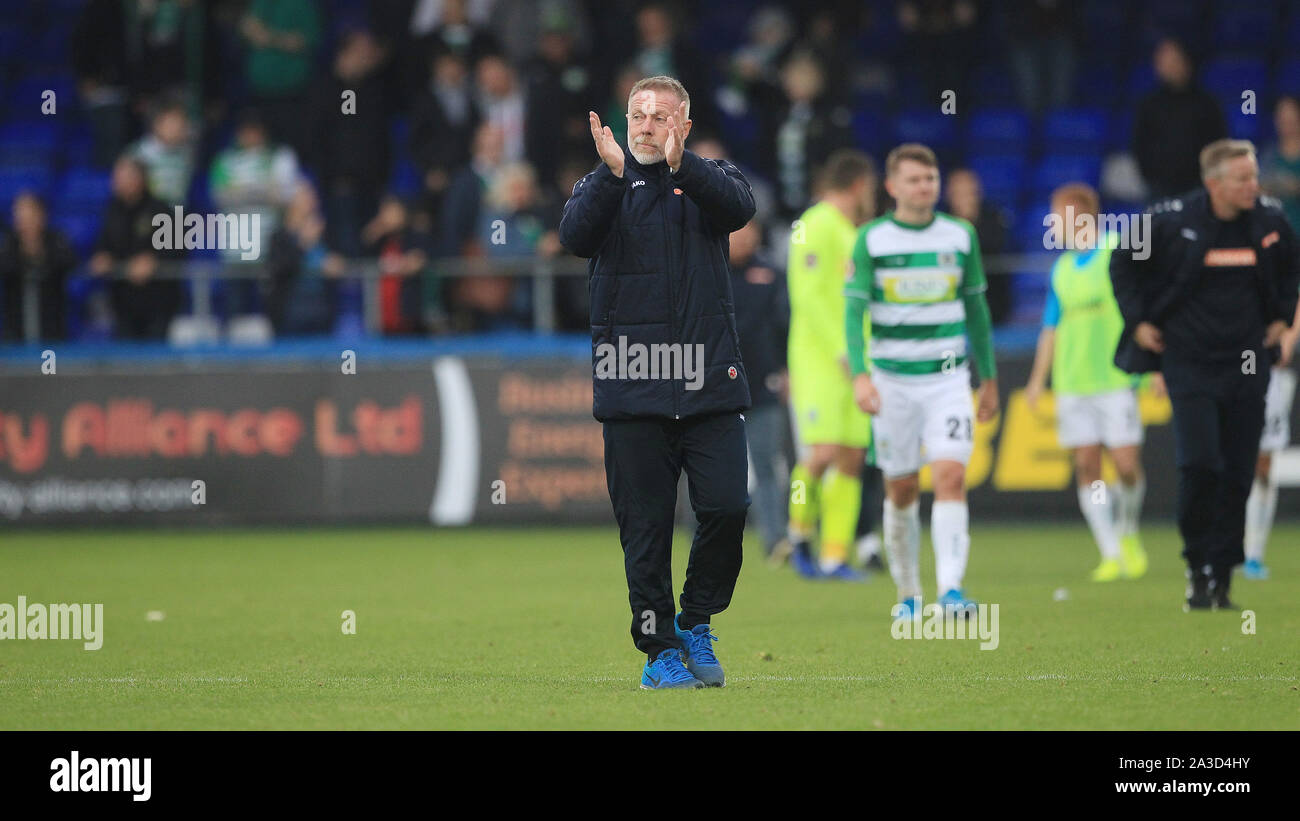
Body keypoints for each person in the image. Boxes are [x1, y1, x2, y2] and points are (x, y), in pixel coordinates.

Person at [559, 75, 755, 690]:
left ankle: (695, 619)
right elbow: (573, 238)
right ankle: (658, 653)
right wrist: (611, 176)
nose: (647, 125)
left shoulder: (709, 178)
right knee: (645, 534)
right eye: (638, 115)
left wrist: (684, 167)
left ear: (684, 127)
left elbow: (741, 209)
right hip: (632, 388)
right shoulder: (604, 185)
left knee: (727, 507)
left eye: (661, 116)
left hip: (708, 382)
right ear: (623, 123)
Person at [1110, 139, 1300, 611]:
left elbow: (1291, 271)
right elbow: (1121, 261)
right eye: (1242, 179)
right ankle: (1197, 565)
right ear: (1213, 183)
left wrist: (1281, 316)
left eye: (1254, 176)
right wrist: (1139, 321)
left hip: (1248, 365)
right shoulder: (1169, 220)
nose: (1253, 186)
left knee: (1238, 472)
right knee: (1200, 466)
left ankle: (1224, 574)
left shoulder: (1271, 222)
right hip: (1188, 362)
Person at [845, 143, 999, 621]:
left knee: (951, 476)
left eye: (930, 179)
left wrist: (989, 378)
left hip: (949, 381)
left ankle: (951, 589)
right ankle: (909, 593)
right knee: (902, 489)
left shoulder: (960, 236)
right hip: (892, 384)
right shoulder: (871, 240)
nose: (924, 187)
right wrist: (860, 375)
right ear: (892, 187)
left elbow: (976, 309)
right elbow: (854, 312)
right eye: (914, 180)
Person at [1024, 183, 1150, 582]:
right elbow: (1050, 328)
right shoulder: (1061, 270)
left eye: (1056, 216)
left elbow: (1146, 304)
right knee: (1087, 465)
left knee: (1127, 465)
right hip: (1073, 383)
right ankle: (1109, 549)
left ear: (1079, 216)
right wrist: (1036, 381)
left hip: (1114, 376)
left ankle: (1128, 528)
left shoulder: (1117, 251)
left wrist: (1154, 366)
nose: (1052, 224)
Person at [785, 149, 878, 581]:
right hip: (820, 361)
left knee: (853, 456)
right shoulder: (811, 225)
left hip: (858, 362)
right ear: (859, 185)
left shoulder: (852, 232)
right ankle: (799, 533)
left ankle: (835, 556)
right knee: (820, 453)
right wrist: (843, 349)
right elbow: (807, 296)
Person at [728, 218, 791, 565]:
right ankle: (701, 540)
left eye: (749, 230)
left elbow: (786, 324)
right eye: (738, 229)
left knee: (768, 464)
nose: (743, 237)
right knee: (705, 468)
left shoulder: (771, 272)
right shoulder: (707, 268)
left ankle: (776, 540)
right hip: (715, 386)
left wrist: (787, 370)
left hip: (763, 383)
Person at [1133, 38, 1227, 201]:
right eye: (1163, 62)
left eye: (1173, 60)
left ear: (1186, 61)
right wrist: (1151, 177)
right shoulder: (1149, 104)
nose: (1169, 67)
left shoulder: (1207, 104)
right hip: (1159, 189)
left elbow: (1218, 144)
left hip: (1199, 187)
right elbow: (1139, 143)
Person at [0, 192, 77, 343]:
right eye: (19, 214)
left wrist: (38, 253)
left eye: (29, 215)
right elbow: (7, 267)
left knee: (50, 363)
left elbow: (69, 263)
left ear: (41, 216)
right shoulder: (9, 244)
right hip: (16, 327)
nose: (24, 220)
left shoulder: (56, 240)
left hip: (52, 325)